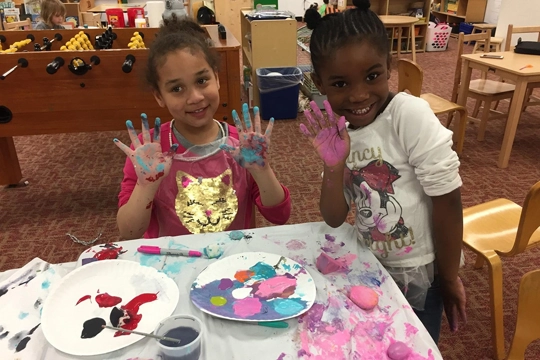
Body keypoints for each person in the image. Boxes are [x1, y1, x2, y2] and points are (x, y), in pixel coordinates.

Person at [299, 0, 466, 345]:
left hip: (424, 269)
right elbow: (333, 217)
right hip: (371, 266)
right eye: (340, 84)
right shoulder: (337, 131)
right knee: (372, 344)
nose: (359, 94)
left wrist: (449, 277)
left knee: (416, 344)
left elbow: (448, 198)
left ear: (389, 66)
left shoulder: (409, 115)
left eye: (372, 76)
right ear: (319, 82)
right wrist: (334, 167)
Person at [114, 16, 291, 239]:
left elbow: (280, 216)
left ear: (217, 78)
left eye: (201, 81)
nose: (195, 97)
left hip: (232, 264)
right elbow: (129, 233)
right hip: (173, 262)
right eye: (177, 88)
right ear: (159, 96)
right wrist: (147, 185)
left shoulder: (242, 145)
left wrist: (261, 171)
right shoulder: (149, 152)